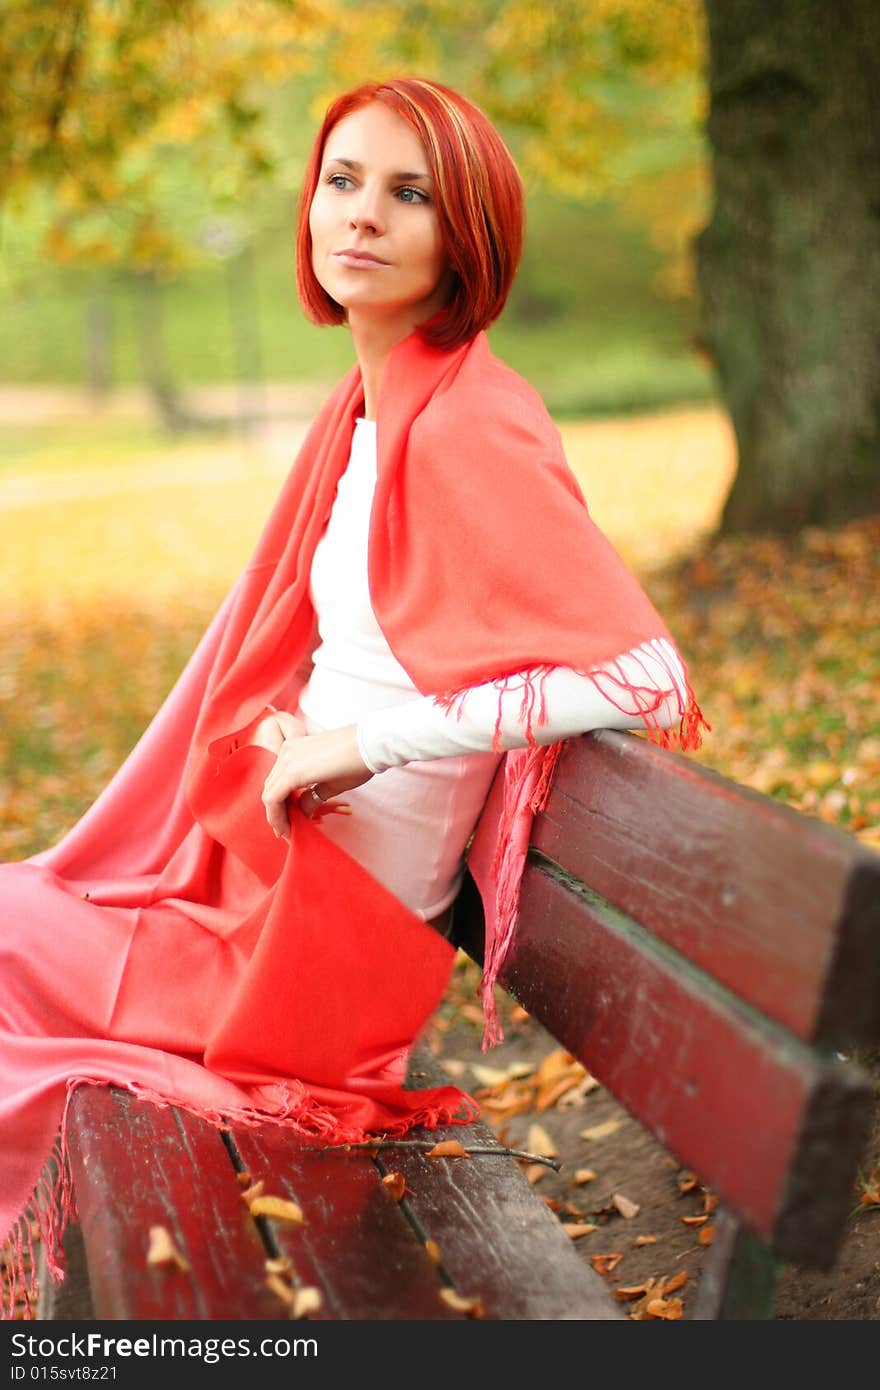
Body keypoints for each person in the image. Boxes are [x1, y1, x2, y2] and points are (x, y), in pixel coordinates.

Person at [0, 76, 706, 1317]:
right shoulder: (377, 403)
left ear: (463, 233)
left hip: (316, 959)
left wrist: (366, 743)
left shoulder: (469, 423)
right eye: (342, 181)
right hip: (269, 891)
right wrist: (308, 732)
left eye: (407, 192)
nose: (361, 215)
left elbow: (645, 672)